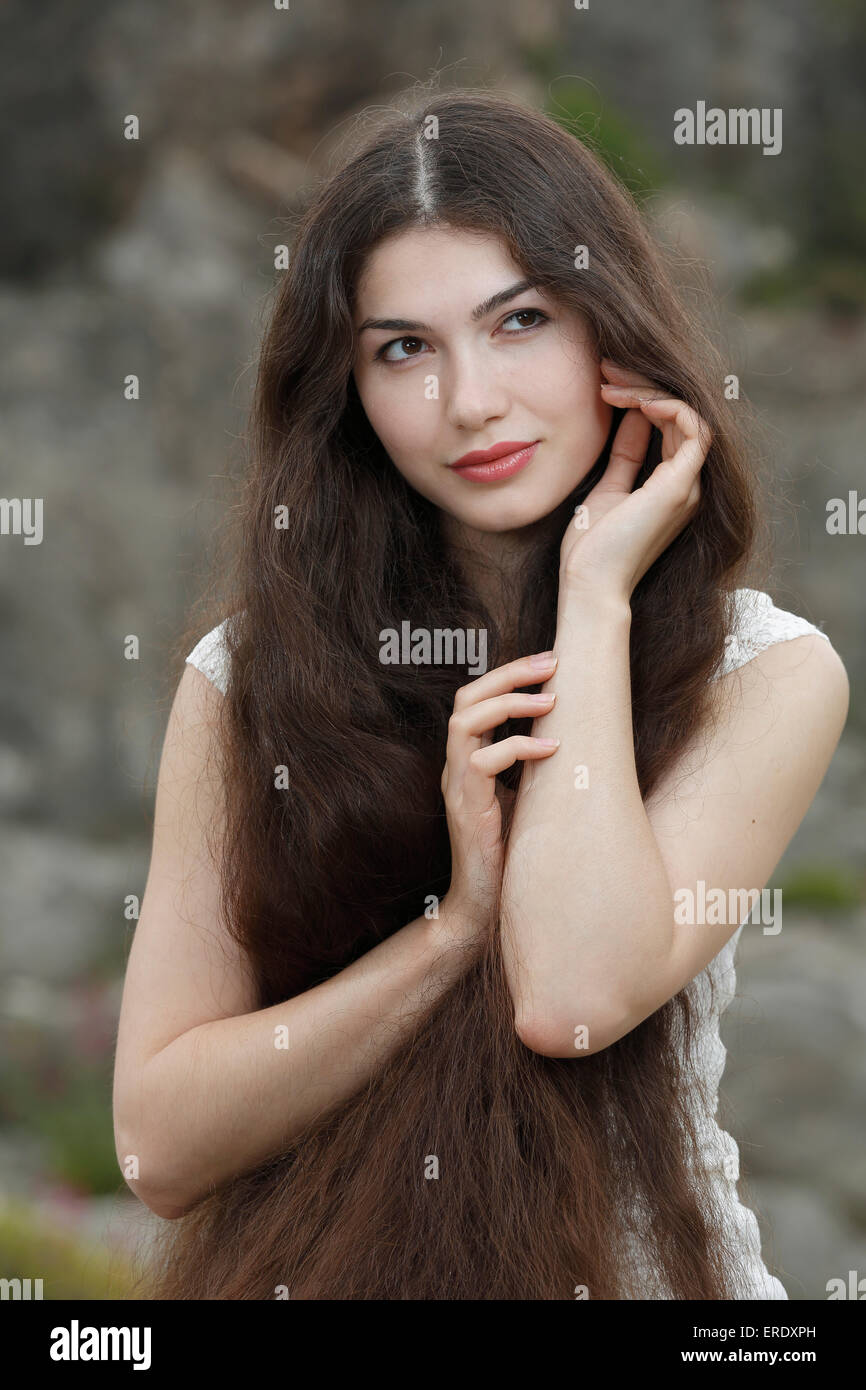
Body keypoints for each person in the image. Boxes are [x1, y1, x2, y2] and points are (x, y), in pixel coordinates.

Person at [112, 88, 848, 1300]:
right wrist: (452, 926)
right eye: (403, 348)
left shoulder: (760, 672)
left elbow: (569, 996)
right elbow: (155, 1145)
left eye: (518, 323)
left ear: (605, 325)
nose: (470, 402)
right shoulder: (250, 680)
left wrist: (594, 598)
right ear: (346, 389)